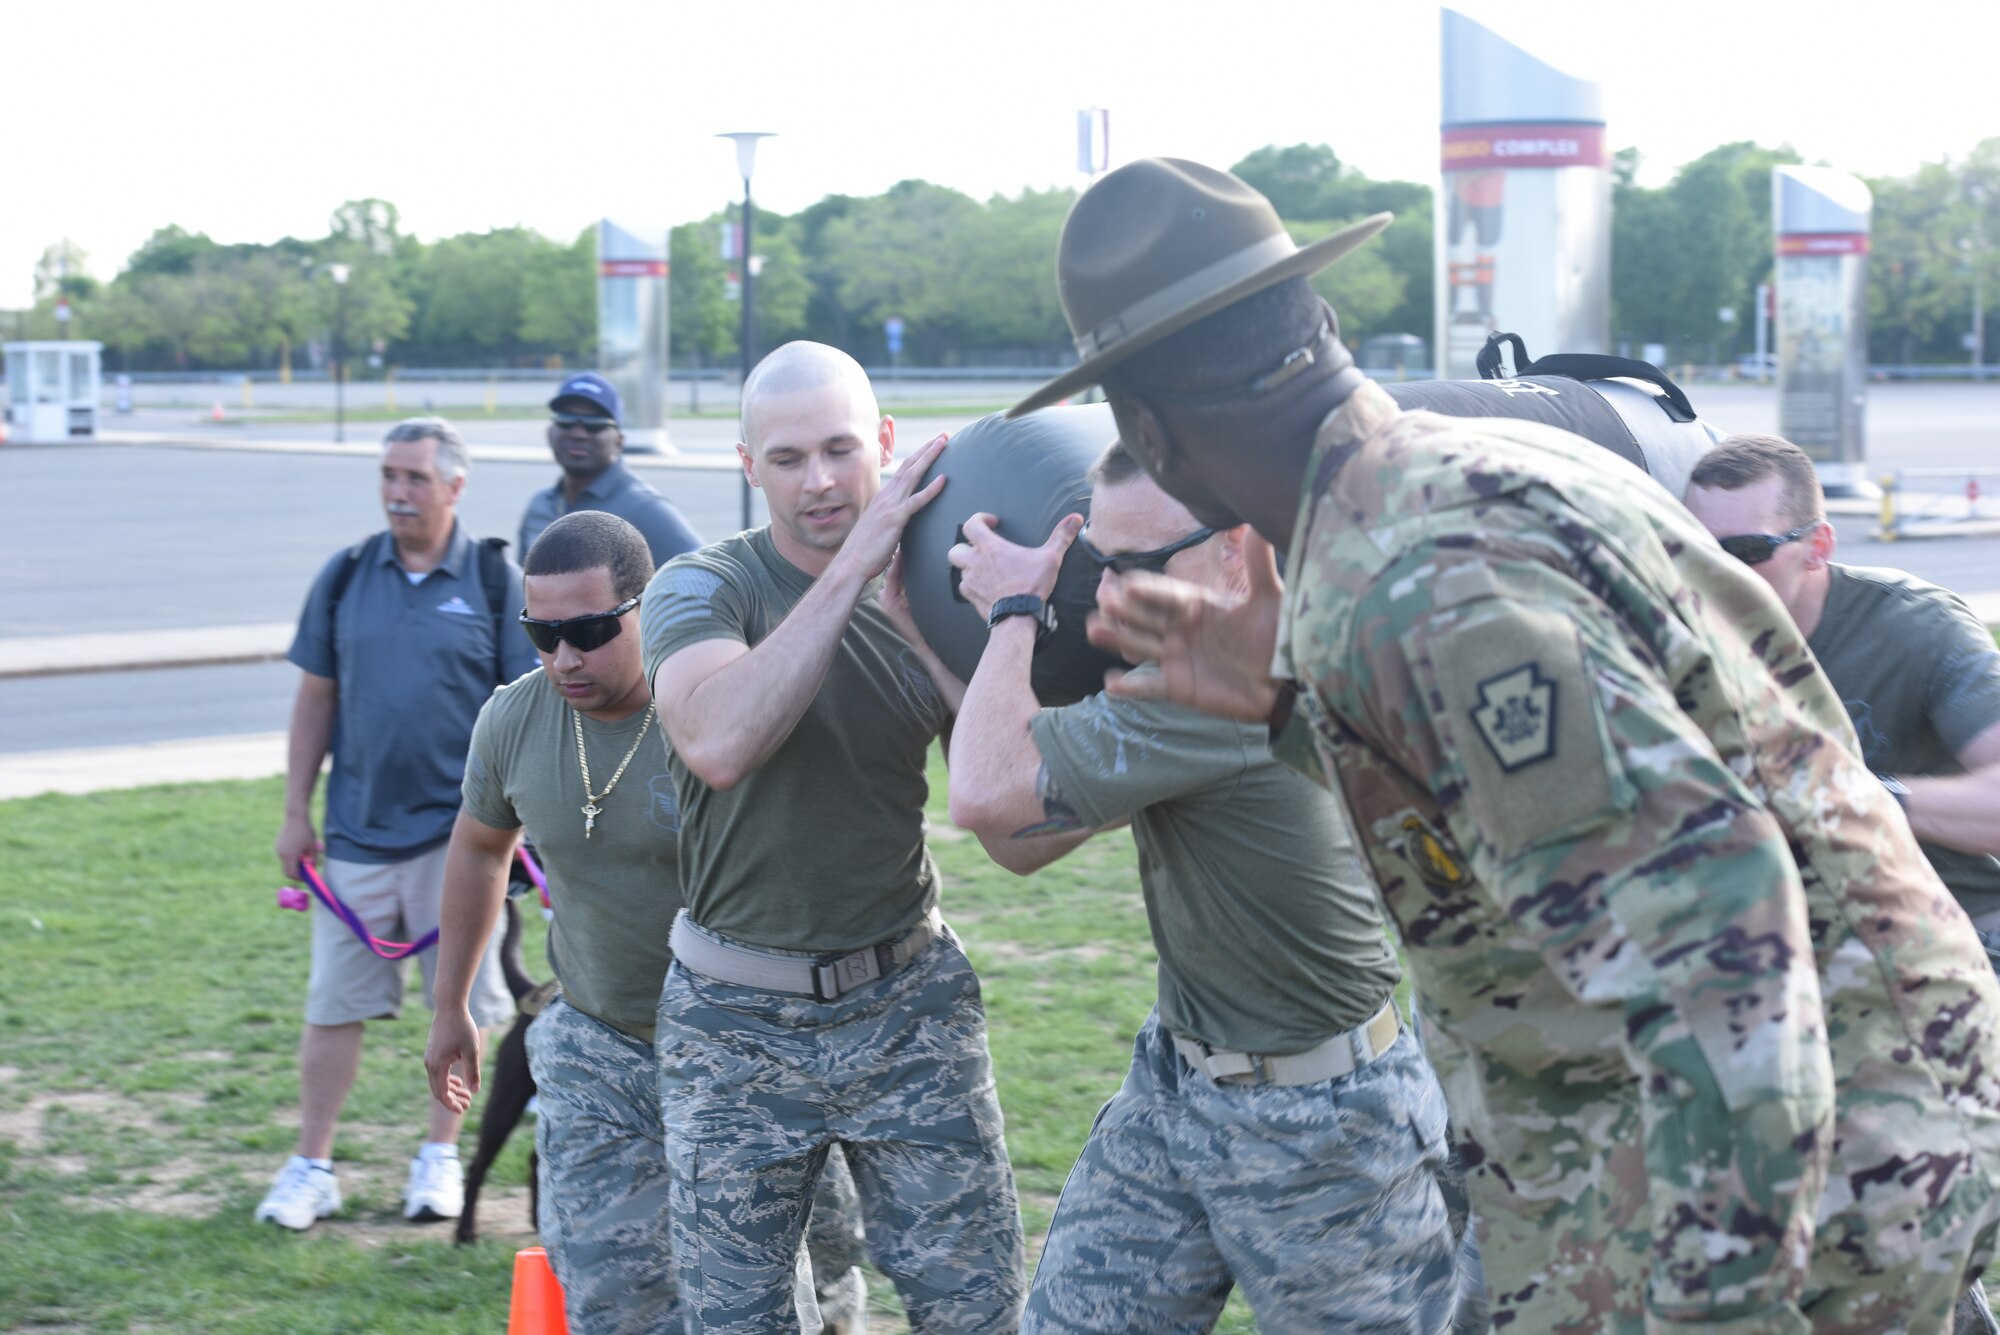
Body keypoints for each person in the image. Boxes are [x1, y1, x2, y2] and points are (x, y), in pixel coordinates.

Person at [1018, 157, 2000, 1332]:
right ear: (1317, 326)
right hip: (1655, 1146)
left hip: (1796, 1181)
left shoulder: (1422, 590)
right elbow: (1520, 816)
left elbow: (1725, 964)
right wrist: (1286, 703)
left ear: (1149, 436)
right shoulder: (1455, 489)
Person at [940, 441, 1468, 1332]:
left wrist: (1015, 610)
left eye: (1139, 566)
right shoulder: (1202, 670)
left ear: (1236, 550)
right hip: (1181, 1072)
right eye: (1098, 566)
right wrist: (926, 632)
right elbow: (1018, 842)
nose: (1108, 597)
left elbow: (987, 790)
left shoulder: (1223, 686)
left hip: (1320, 1125)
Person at [642, 341, 1026, 1331]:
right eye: (784, 459)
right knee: (741, 1319)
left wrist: (973, 630)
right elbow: (719, 740)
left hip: (905, 1003)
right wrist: (853, 567)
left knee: (975, 1306)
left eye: (839, 449)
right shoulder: (699, 587)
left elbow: (1017, 826)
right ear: (745, 466)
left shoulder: (929, 602)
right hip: (733, 1020)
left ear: (885, 446)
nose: (817, 481)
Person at [423, 510, 868, 1334]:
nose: (564, 658)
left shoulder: (715, 710)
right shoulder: (514, 721)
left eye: (589, 631)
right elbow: (480, 850)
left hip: (749, 1050)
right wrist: (453, 1005)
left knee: (789, 1302)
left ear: (648, 606)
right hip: (597, 1044)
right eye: (541, 634)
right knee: (613, 1299)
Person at [1684, 433, 2000, 1335]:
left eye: (1744, 552)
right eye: (1693, 549)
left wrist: (1855, 796)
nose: (1716, 574)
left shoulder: (1914, 627)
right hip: (1774, 962)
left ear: (1818, 546)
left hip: (1944, 956)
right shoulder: (1680, 637)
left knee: (1873, 1227)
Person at [260, 417, 536, 1231]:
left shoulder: (492, 579)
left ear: (455, 485)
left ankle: (439, 1156)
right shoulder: (345, 575)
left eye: (415, 477)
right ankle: (313, 1163)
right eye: (388, 474)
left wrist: (524, 830)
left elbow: (528, 711)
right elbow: (316, 697)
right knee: (332, 1005)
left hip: (463, 844)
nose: (397, 491)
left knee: (464, 1007)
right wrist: (294, 813)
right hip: (353, 839)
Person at [518, 371, 701, 567]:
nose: (578, 433)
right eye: (566, 421)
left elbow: (704, 574)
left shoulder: (644, 508)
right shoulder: (541, 505)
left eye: (594, 425)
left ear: (619, 441)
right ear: (549, 431)